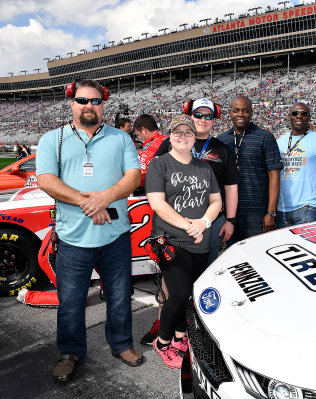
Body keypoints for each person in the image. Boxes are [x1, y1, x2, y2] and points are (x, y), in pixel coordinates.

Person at [36, 79, 143, 383]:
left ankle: (122, 344)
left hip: (115, 235)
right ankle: (70, 352)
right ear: (72, 102)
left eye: (95, 101)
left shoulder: (120, 139)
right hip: (72, 238)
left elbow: (133, 176)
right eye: (82, 100)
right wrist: (90, 203)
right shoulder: (51, 139)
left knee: (120, 296)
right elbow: (46, 180)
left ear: (103, 104)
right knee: (70, 301)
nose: (89, 106)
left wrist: (105, 198)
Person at [139, 99, 239, 347]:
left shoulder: (220, 150)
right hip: (174, 229)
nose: (203, 119)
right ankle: (164, 327)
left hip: (208, 226)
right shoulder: (165, 150)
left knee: (196, 285)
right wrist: (189, 224)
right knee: (173, 286)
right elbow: (158, 194)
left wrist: (225, 220)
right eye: (198, 114)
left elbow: (229, 188)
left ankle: (186, 332)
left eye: (208, 116)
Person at [145, 115, 221, 369]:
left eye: (187, 132)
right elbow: (157, 203)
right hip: (171, 240)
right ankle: (163, 342)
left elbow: (216, 202)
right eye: (177, 132)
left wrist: (204, 223)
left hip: (200, 241)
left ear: (194, 136)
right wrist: (189, 225)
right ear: (169, 136)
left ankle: (180, 338)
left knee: (189, 295)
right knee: (178, 294)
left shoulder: (204, 167)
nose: (182, 136)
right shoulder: (160, 164)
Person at [216, 96, 281, 242]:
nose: (240, 114)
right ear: (230, 113)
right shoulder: (221, 140)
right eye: (236, 110)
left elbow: (274, 176)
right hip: (230, 214)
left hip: (257, 212)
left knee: (258, 255)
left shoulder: (265, 137)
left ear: (251, 112)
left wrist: (271, 212)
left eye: (245, 111)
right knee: (233, 256)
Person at [276, 102, 316, 227]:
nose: (299, 116)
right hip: (282, 208)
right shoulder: (279, 142)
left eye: (303, 114)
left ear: (309, 117)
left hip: (309, 208)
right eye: (295, 113)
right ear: (289, 116)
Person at [134, 114, 168, 186]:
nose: (140, 138)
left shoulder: (151, 147)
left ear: (144, 130)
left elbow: (141, 176)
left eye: (139, 134)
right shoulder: (166, 138)